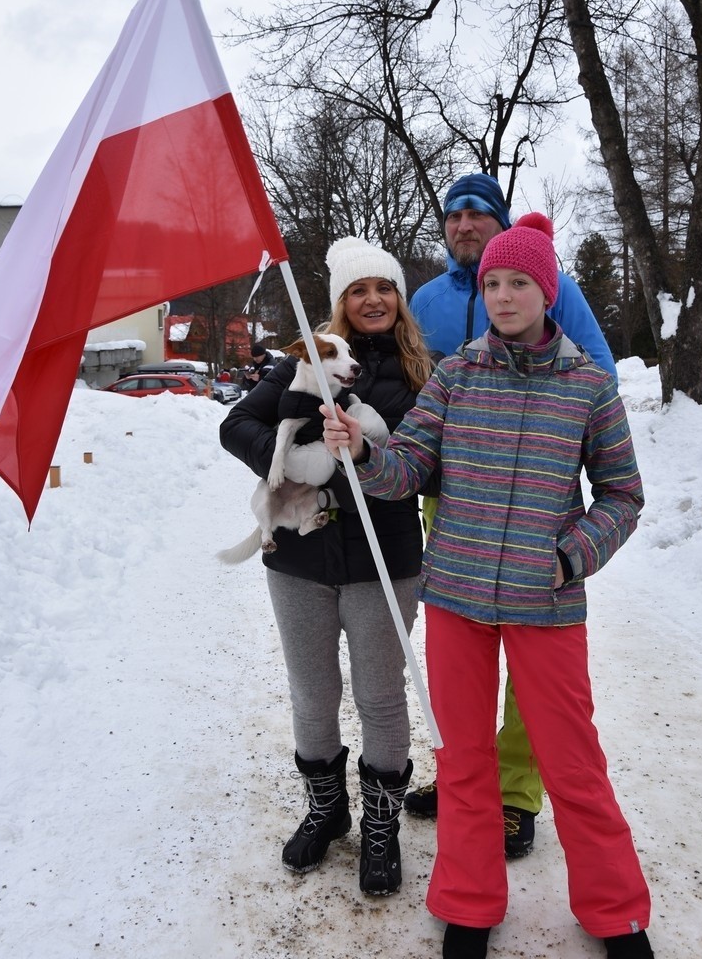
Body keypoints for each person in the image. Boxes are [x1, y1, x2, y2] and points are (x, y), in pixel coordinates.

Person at [321, 214, 653, 959]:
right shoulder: (455, 374)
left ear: (547, 290)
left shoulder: (588, 386)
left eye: (520, 283)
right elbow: (408, 467)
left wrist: (570, 556)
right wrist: (363, 453)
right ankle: (469, 902)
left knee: (572, 762)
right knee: (465, 759)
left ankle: (617, 911)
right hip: (459, 600)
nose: (503, 296)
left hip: (548, 603)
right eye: (495, 282)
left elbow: (623, 495)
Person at [405, 172, 618, 857]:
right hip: (453, 495)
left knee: (530, 654)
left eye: (478, 213)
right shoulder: (428, 299)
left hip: (533, 500)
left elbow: (598, 375)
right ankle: (463, 774)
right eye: (454, 214)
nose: (464, 223)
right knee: (458, 654)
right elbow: (412, 391)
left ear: (501, 225)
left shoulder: (545, 281)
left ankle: (518, 794)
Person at [219, 236, 434, 895]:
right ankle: (327, 809)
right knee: (313, 693)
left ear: (399, 299)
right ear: (342, 303)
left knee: (378, 696)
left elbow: (432, 465)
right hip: (301, 560)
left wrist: (369, 452)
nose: (372, 300)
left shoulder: (427, 373)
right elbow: (236, 427)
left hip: (383, 558)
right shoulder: (304, 362)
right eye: (358, 290)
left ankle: (380, 825)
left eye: (384, 288)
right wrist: (292, 460)